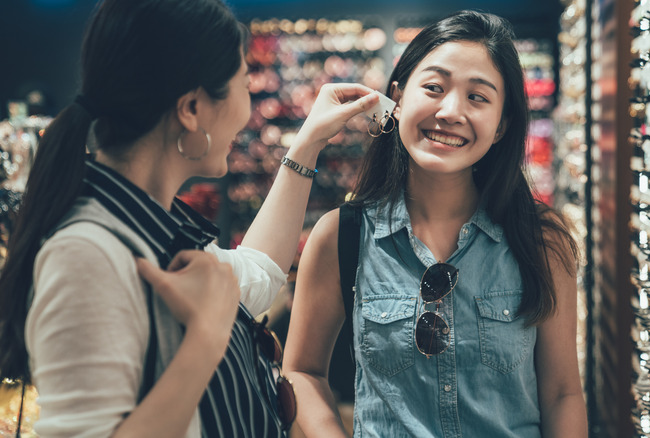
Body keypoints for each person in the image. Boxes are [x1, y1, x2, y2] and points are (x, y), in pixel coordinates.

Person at [0, 0, 379, 436]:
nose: (248, 105)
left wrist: (308, 142)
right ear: (192, 109)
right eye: (242, 81)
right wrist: (205, 339)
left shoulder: (152, 226)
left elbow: (256, 276)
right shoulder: (87, 254)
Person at [283, 10, 587, 438]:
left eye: (477, 97)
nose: (450, 111)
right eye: (433, 87)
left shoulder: (541, 240)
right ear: (398, 97)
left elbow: (561, 394)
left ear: (501, 126)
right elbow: (302, 371)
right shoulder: (341, 235)